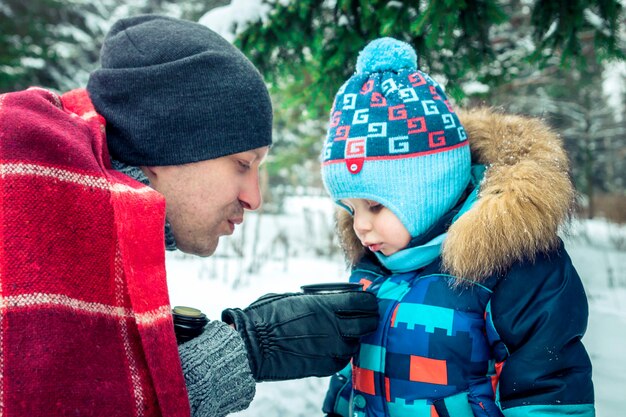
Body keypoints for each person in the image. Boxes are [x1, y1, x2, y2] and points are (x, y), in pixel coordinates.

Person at [0, 15, 378, 417]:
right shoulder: (21, 199)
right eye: (241, 163)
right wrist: (246, 352)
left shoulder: (82, 221)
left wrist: (240, 346)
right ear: (164, 147)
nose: (254, 198)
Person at [319, 38, 594, 417]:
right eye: (349, 209)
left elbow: (547, 388)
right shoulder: (374, 266)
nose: (361, 226)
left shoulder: (512, 265)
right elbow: (352, 381)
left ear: (431, 190)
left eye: (376, 205)